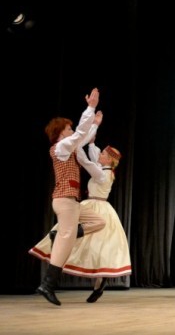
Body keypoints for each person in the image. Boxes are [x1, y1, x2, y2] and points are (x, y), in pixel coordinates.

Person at [30, 117, 131, 303]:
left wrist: (83, 145)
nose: (100, 153)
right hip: (81, 202)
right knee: (79, 239)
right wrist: (90, 140)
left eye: (103, 154)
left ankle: (97, 283)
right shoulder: (99, 166)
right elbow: (92, 154)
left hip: (98, 206)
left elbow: (87, 161)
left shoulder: (104, 173)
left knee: (100, 245)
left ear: (109, 159)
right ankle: (50, 280)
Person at [35, 88, 107, 306]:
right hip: (64, 200)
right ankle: (47, 284)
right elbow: (79, 136)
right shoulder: (60, 147)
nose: (72, 130)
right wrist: (90, 108)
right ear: (61, 133)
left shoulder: (72, 148)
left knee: (99, 221)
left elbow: (82, 137)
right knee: (65, 243)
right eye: (69, 128)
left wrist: (95, 124)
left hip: (73, 203)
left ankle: (61, 234)